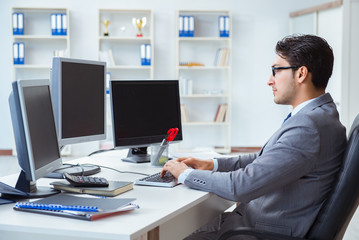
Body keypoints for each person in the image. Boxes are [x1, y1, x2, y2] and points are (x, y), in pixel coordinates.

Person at [161, 34, 347, 239]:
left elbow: (239, 187)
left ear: (301, 73)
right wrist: (212, 164)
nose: (270, 81)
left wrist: (185, 174)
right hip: (254, 224)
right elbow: (263, 159)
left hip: (256, 231)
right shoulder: (320, 116)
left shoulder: (308, 127)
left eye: (276, 70)